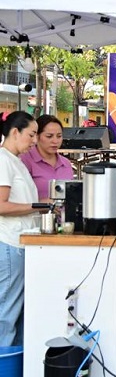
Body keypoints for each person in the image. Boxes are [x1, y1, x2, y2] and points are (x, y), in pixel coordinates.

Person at [0, 112, 39, 347]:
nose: (34, 141)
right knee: (7, 309)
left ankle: (15, 360)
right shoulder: (3, 160)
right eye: (31, 135)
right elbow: (2, 205)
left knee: (18, 308)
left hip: (21, 242)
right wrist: (37, 206)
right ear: (15, 132)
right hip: (9, 242)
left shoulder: (16, 161)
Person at [20, 115, 73, 200]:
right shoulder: (25, 160)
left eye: (59, 136)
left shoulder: (66, 163)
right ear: (37, 136)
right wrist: (41, 203)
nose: (55, 141)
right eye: (49, 136)